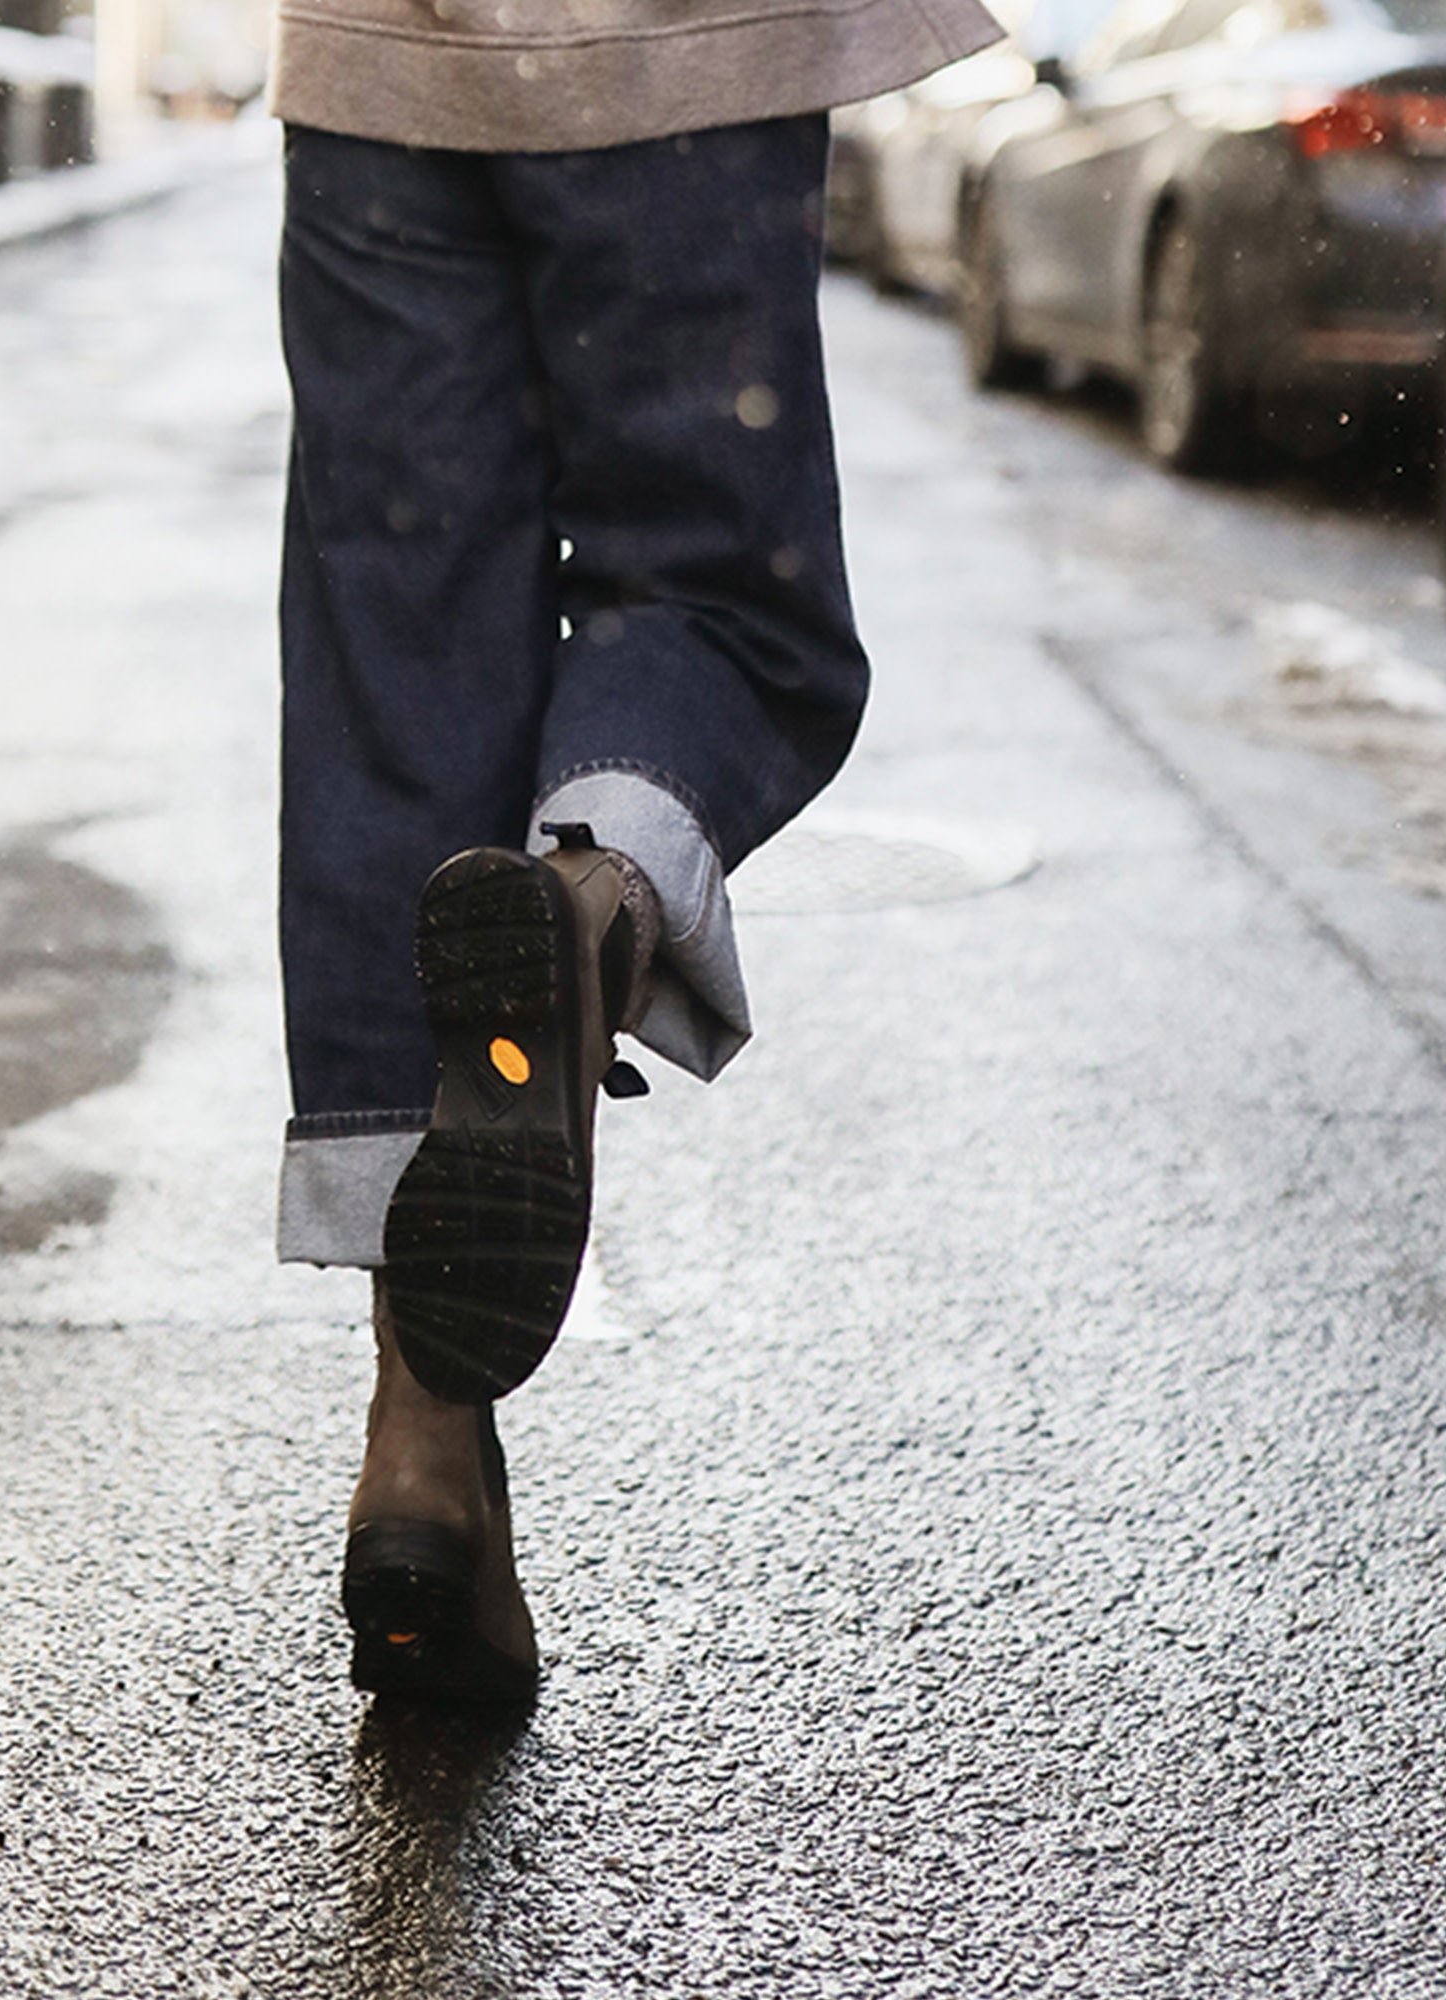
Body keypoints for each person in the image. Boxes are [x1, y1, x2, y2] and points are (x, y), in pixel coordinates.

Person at [268, 0, 1002, 1703]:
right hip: (675, 44)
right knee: (723, 605)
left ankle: (422, 1447)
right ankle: (596, 888)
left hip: (379, 62)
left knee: (406, 669)